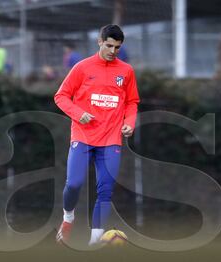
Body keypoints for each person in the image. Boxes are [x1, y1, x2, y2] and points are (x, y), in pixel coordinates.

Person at [54, 24, 140, 245]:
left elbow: (132, 102)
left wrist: (129, 123)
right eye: (109, 45)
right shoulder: (82, 68)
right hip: (82, 136)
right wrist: (78, 112)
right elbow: (61, 96)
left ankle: (95, 243)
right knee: (73, 184)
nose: (113, 51)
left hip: (111, 139)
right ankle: (68, 218)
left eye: (117, 47)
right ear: (100, 42)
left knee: (105, 191)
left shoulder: (126, 71)